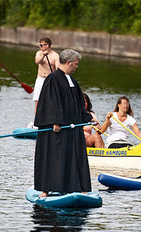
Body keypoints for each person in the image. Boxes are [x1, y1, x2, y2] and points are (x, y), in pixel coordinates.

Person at [34, 49, 93, 198]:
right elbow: (50, 102)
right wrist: (56, 121)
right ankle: (46, 190)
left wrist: (87, 118)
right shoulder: (53, 79)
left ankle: (77, 187)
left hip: (72, 129)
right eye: (76, 64)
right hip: (57, 128)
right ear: (68, 63)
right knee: (53, 156)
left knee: (74, 156)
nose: (77, 67)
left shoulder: (72, 81)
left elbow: (79, 103)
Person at [33, 37, 60, 112]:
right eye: (40, 45)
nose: (40, 47)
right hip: (40, 78)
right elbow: (37, 61)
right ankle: (37, 121)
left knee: (50, 102)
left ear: (47, 45)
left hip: (50, 80)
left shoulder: (55, 55)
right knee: (37, 102)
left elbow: (58, 69)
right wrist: (43, 55)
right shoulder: (39, 53)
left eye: (42, 45)